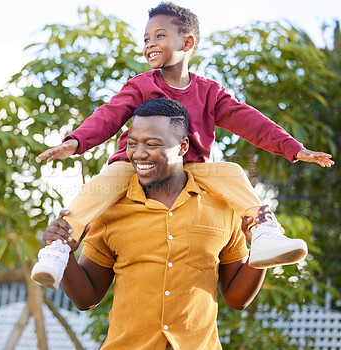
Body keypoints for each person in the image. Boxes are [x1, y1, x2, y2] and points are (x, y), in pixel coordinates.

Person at [30, 2, 334, 289]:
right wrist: (75, 142)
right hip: (134, 164)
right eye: (146, 38)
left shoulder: (210, 92)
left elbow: (249, 121)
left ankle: (263, 232)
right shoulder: (142, 85)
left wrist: (293, 148)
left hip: (190, 169)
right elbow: (110, 114)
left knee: (232, 172)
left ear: (187, 43)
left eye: (159, 36)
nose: (149, 43)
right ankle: (58, 248)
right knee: (102, 184)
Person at [42, 98, 269, 349]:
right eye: (131, 144)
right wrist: (67, 254)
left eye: (152, 144)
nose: (138, 154)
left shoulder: (221, 207)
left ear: (183, 147)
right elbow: (87, 298)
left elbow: (237, 298)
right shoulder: (111, 210)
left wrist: (260, 250)